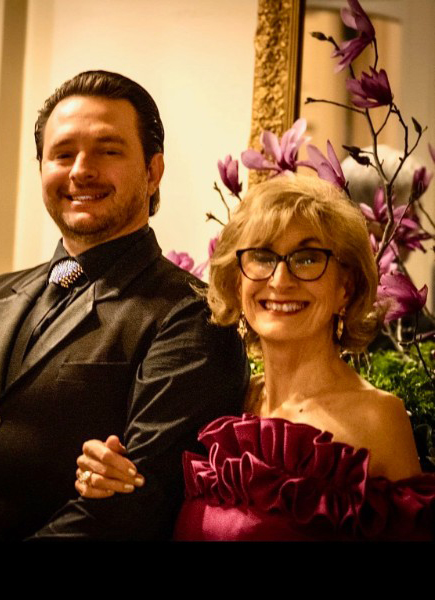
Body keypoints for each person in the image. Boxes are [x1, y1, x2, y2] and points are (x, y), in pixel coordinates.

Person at [0, 70, 249, 541]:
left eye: (108, 150)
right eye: (63, 154)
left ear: (153, 171)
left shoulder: (194, 315)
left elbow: (141, 499)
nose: (81, 170)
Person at [75, 174, 435, 541]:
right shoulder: (222, 401)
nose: (280, 280)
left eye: (307, 258)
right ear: (236, 282)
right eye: (262, 257)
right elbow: (151, 502)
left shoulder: (378, 418)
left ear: (347, 286)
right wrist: (108, 476)